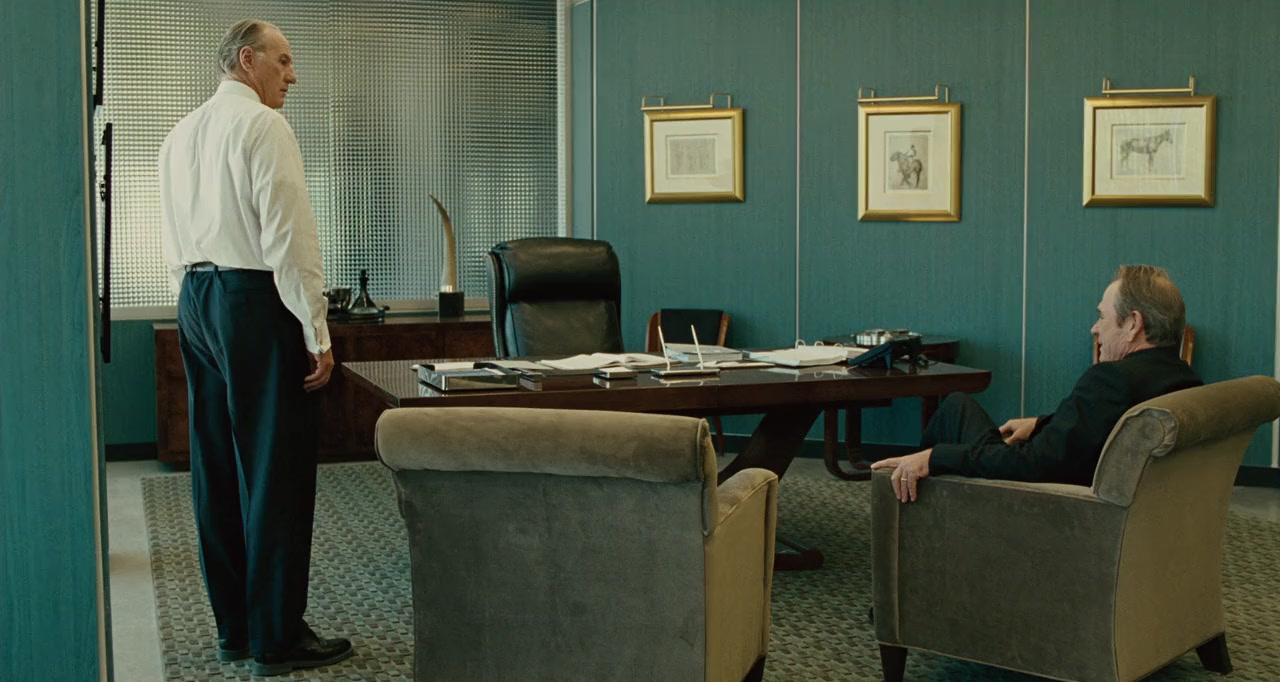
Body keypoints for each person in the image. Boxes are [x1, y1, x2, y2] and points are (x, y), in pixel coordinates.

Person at [159, 19, 353, 676]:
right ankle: (278, 637)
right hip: (252, 298)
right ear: (248, 61)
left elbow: (173, 232)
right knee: (277, 468)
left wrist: (199, 306)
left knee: (216, 468)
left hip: (196, 299)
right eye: (283, 60)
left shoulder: (180, 133)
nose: (292, 75)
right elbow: (290, 240)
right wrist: (316, 332)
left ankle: (235, 629)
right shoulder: (264, 126)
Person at [871, 265, 1203, 503]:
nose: (1094, 328)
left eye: (1102, 316)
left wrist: (936, 458)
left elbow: (1032, 464)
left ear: (1133, 323)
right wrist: (1042, 424)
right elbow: (1102, 428)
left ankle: (909, 524)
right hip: (1101, 496)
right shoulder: (1184, 380)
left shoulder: (1111, 379)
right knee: (958, 409)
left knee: (955, 409)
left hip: (1048, 503)